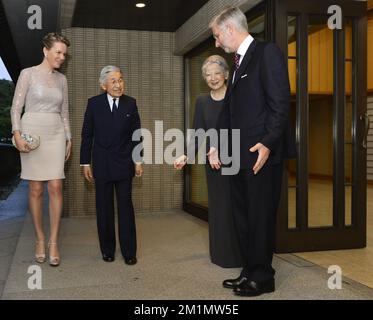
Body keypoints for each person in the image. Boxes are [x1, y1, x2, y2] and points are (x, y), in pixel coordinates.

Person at [209, 6, 293, 296]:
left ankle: (263, 278)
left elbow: (281, 103)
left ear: (231, 29)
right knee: (243, 217)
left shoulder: (267, 53)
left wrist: (269, 142)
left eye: (218, 36)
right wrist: (215, 144)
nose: (217, 42)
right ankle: (249, 271)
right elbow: (228, 111)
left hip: (261, 155)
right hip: (238, 155)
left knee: (259, 218)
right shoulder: (237, 62)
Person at [174, 55, 242, 268]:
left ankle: (242, 254)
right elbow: (198, 133)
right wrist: (187, 154)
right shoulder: (202, 101)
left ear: (226, 75)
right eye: (208, 75)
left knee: (238, 208)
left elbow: (242, 129)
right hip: (214, 165)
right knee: (220, 209)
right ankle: (222, 255)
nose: (212, 78)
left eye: (216, 73)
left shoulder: (237, 97)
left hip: (238, 160)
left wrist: (220, 147)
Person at [10, 33, 72, 267]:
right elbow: (16, 108)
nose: (61, 57)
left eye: (64, 54)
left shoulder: (62, 80)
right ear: (45, 51)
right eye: (58, 52)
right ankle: (39, 238)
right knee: (35, 188)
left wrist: (69, 137)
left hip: (55, 131)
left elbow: (64, 112)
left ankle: (53, 241)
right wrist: (16, 133)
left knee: (56, 185)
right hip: (31, 132)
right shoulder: (28, 74)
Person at [80, 66, 143, 265]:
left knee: (125, 207)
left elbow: (137, 135)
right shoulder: (94, 104)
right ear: (103, 85)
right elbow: (87, 135)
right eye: (113, 81)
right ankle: (107, 249)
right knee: (104, 208)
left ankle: (129, 251)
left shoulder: (130, 104)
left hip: (125, 163)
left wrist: (138, 160)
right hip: (102, 163)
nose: (118, 84)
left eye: (120, 80)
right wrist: (85, 162)